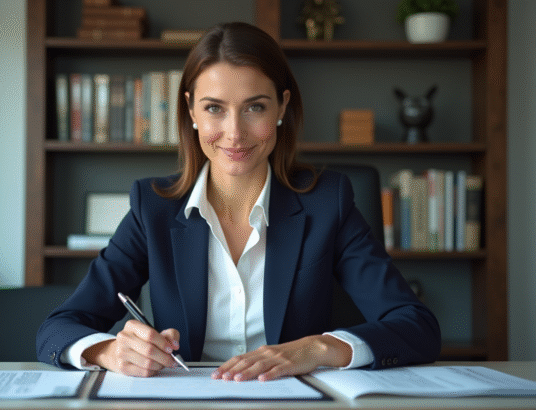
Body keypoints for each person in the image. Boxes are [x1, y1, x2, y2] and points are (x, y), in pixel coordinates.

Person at [37, 22, 441, 382]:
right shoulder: (152, 208)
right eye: (214, 108)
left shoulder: (326, 202)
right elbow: (59, 328)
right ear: (191, 109)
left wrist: (317, 348)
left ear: (282, 107)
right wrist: (108, 351)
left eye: (255, 108)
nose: (234, 133)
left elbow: (416, 325)